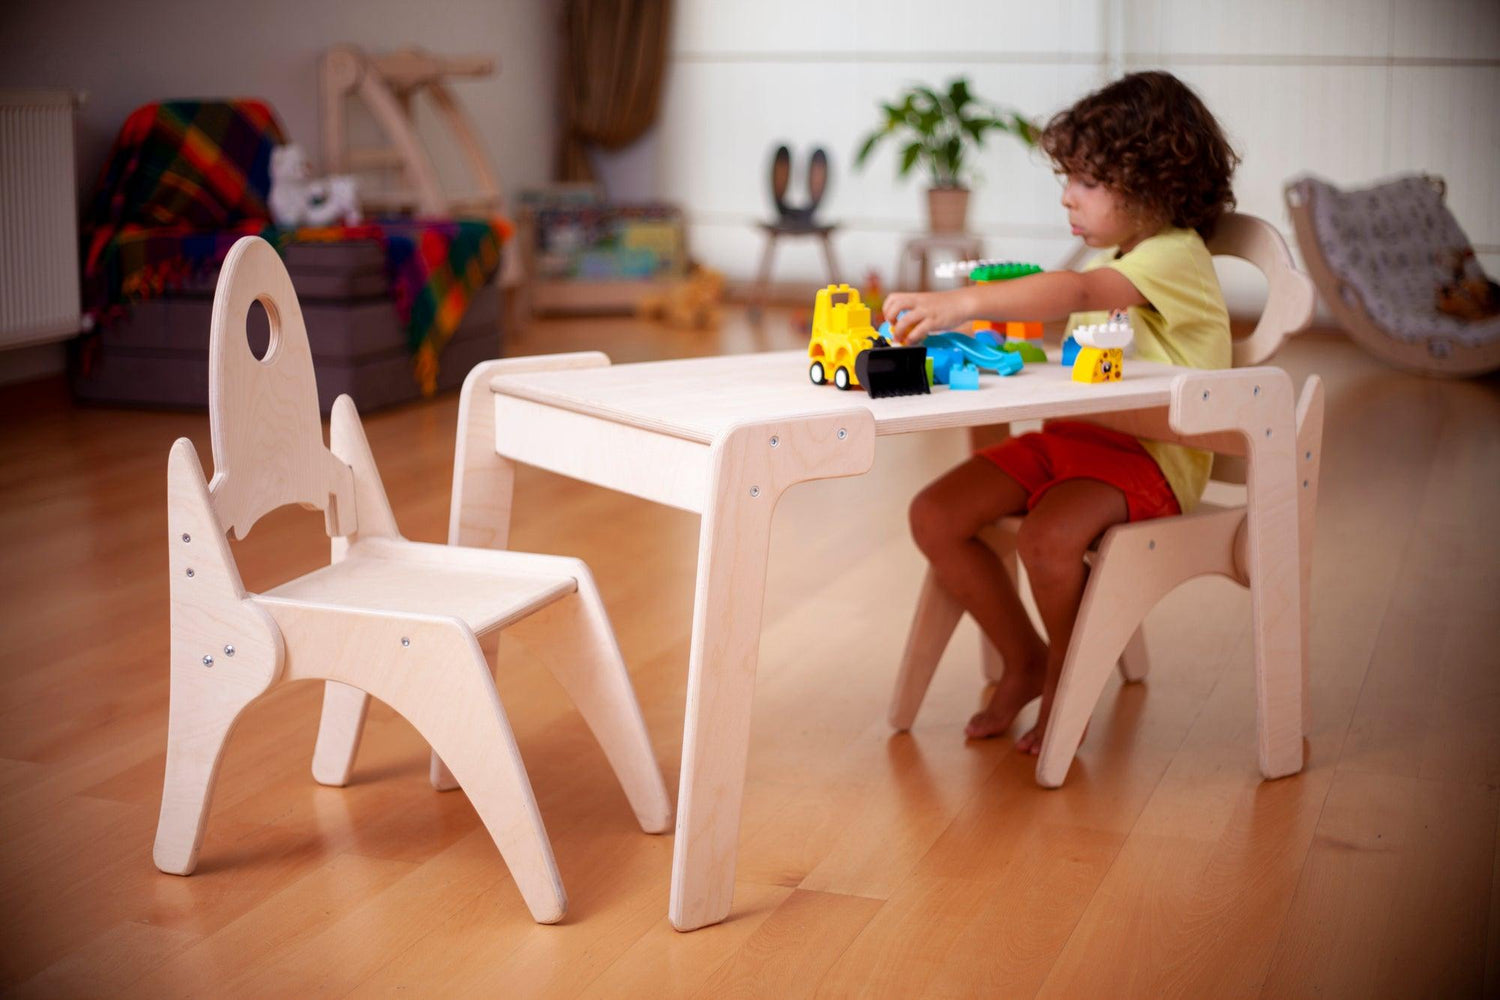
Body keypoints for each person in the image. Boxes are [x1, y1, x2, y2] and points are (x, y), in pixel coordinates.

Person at [883, 70, 1238, 752]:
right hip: (1079, 437)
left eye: (1089, 182)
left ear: (1153, 185)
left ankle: (1071, 683)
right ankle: (1029, 660)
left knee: (1046, 539)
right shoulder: (1124, 251)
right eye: (1067, 178)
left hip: (1151, 459)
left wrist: (964, 302)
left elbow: (1073, 289)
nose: (1068, 198)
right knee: (935, 513)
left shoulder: (1174, 256)